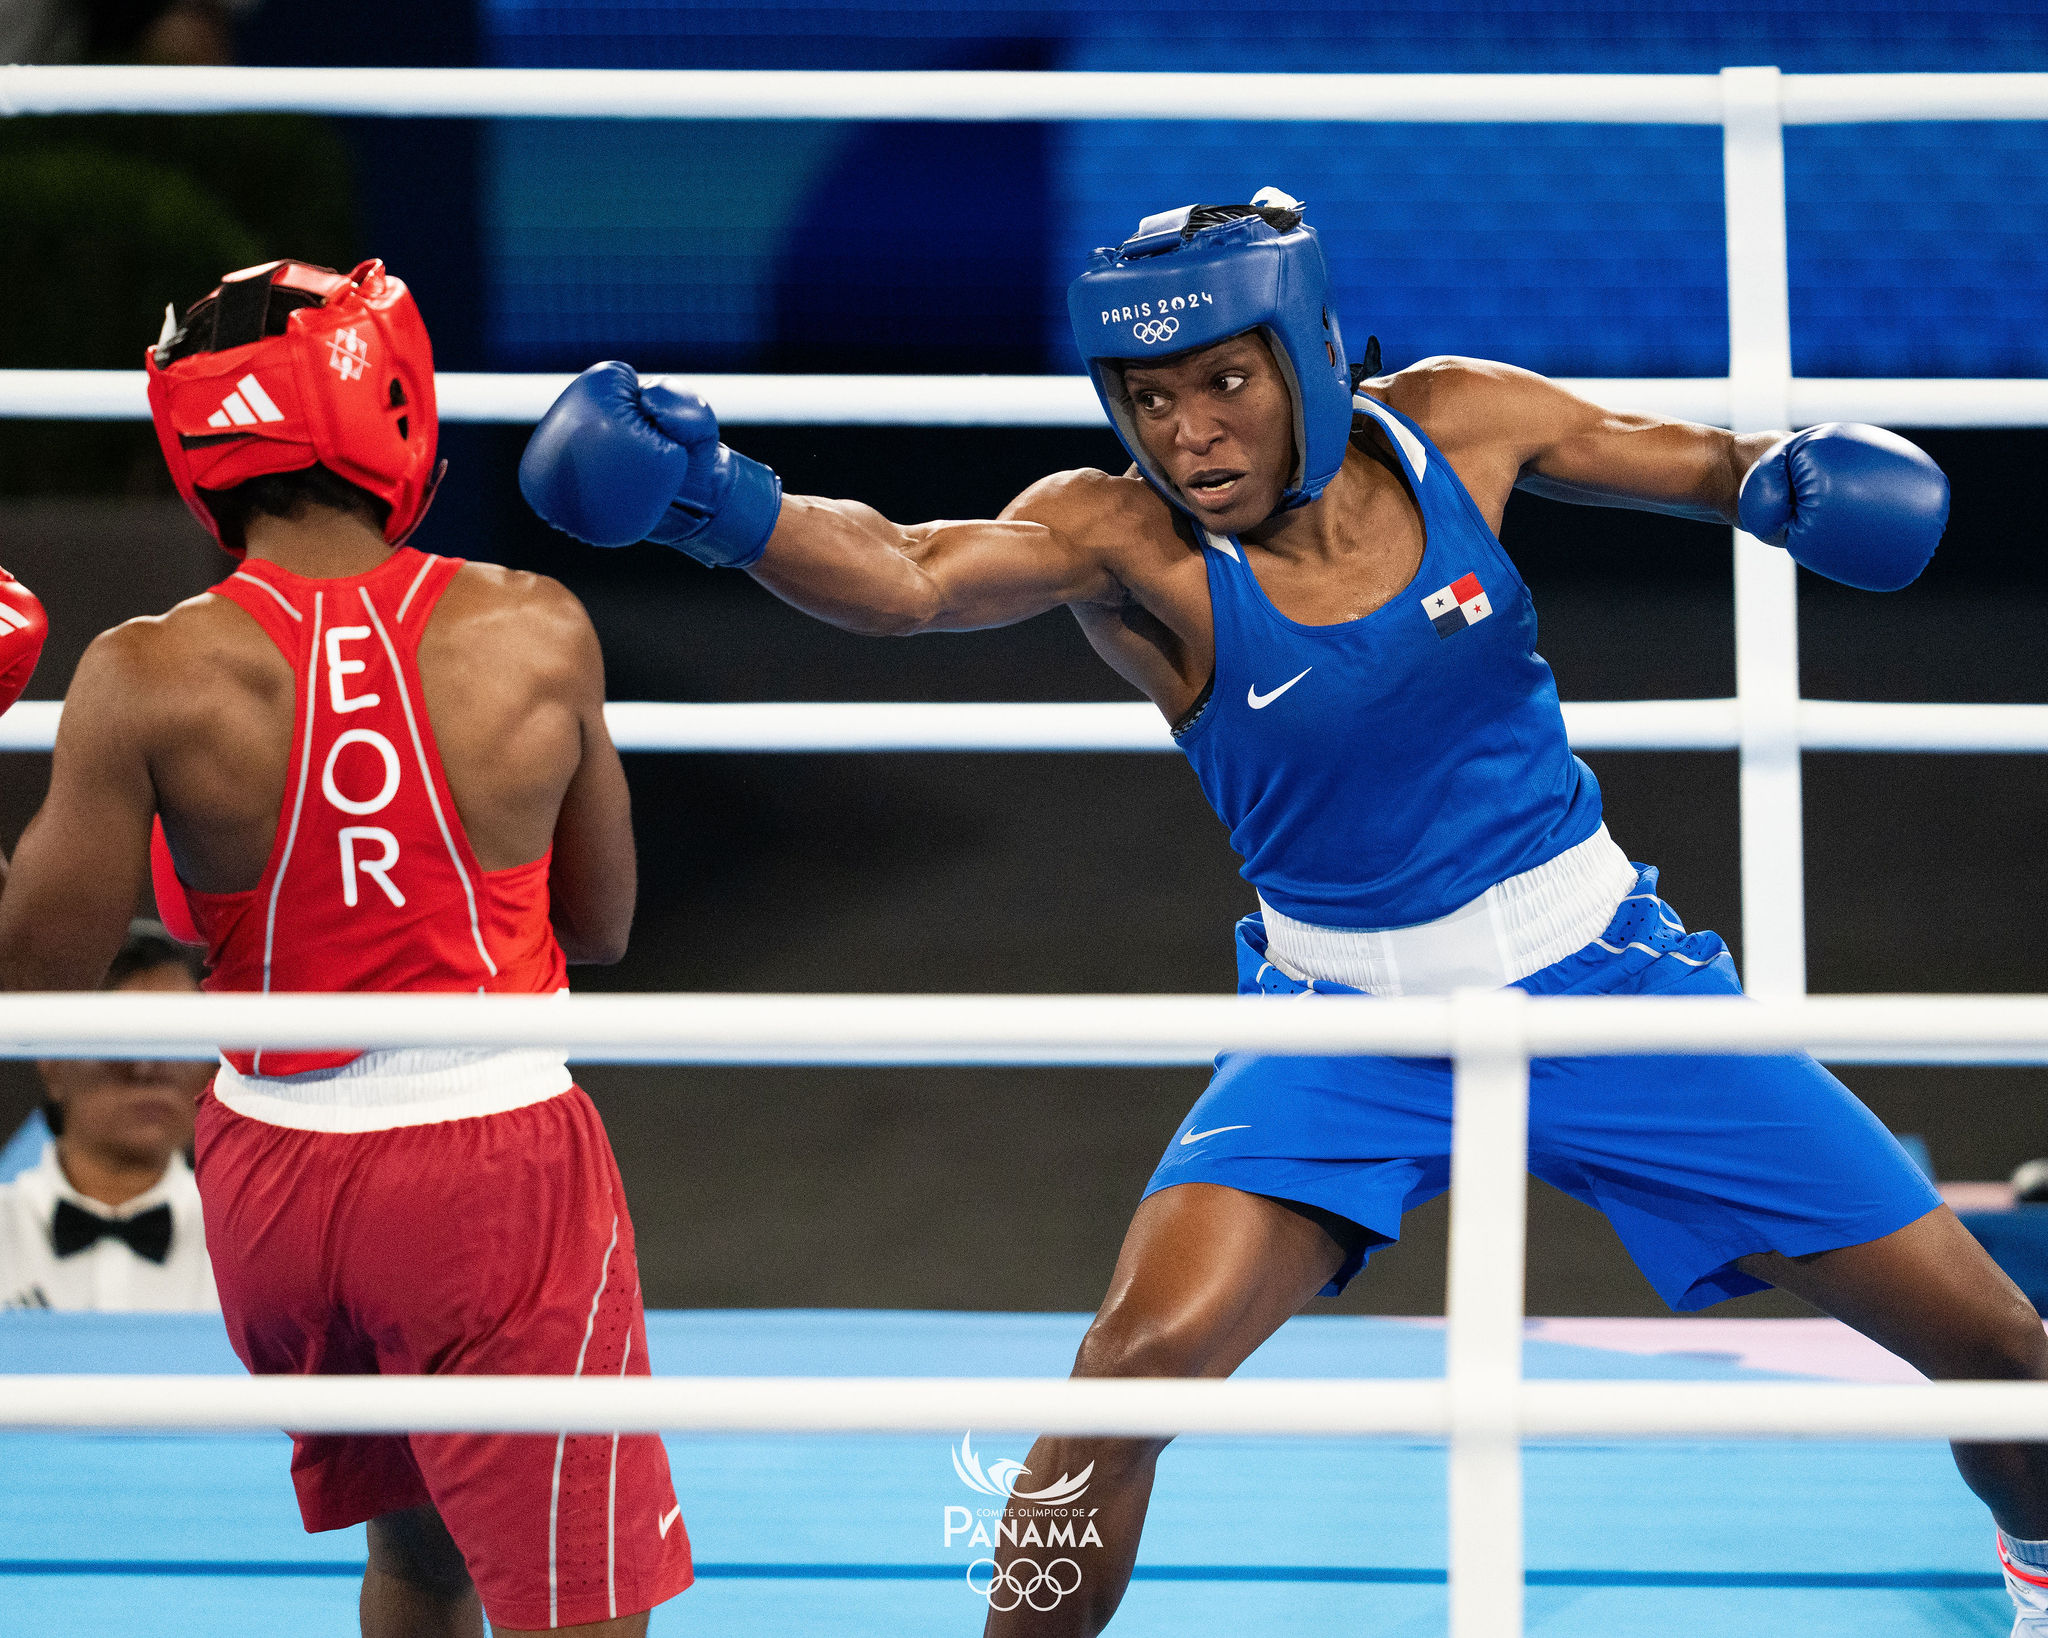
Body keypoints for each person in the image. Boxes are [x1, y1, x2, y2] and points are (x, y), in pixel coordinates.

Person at [517, 188, 2048, 1635]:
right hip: (1343, 1027)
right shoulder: (1130, 545)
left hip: (1608, 978)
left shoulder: (1461, 425)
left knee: (2000, 1352)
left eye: (1220, 382)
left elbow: (1698, 459)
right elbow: (914, 574)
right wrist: (718, 503)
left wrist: (1784, 476)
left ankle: (2039, 1562)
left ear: (1312, 354)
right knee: (1121, 1382)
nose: (1186, 432)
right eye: (1148, 396)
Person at [0, 257, 689, 1638]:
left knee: (422, 1556)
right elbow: (602, 924)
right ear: (392, 404)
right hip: (488, 1173)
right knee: (584, 1611)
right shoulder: (533, 628)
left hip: (268, 1182)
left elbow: (34, 979)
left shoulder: (142, 673)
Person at [0, 921, 217, 1311]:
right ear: (50, 1061)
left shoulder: (248, 1241)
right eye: (119, 1036)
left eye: (176, 1037)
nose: (148, 1066)